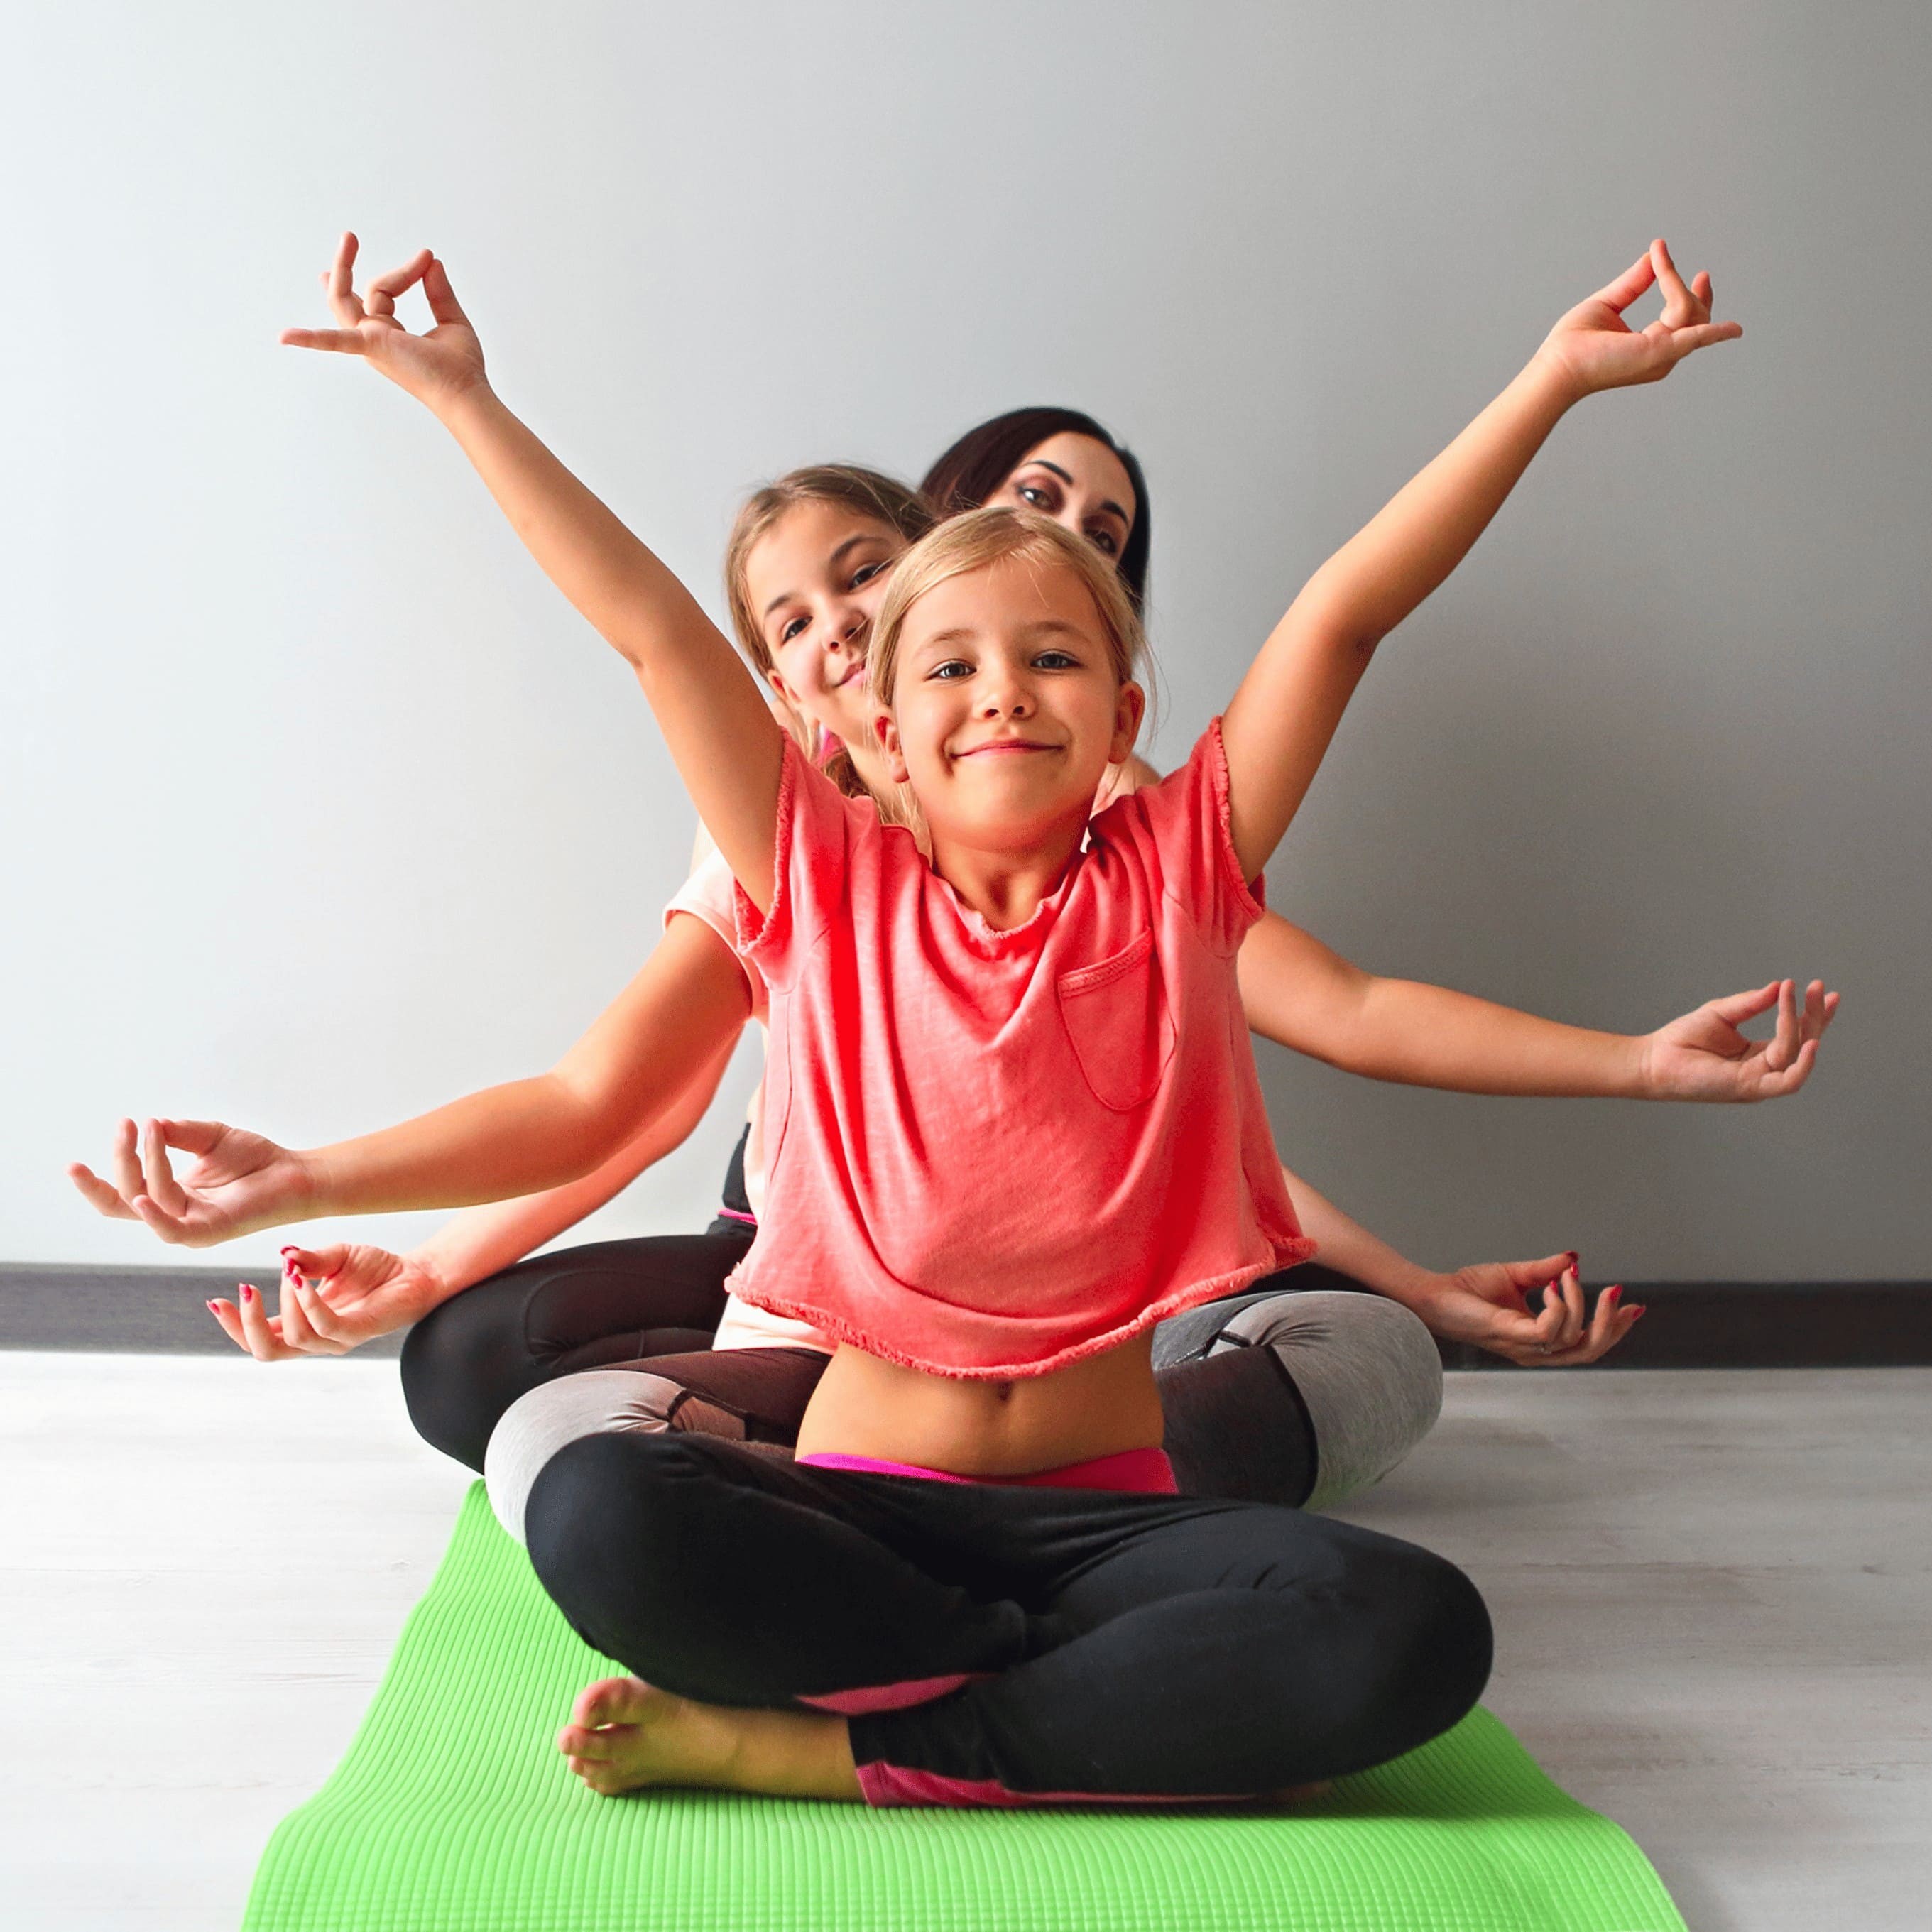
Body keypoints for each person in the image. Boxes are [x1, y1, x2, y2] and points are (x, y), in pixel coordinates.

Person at [71, 246, 1832, 1528]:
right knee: (498, 1394)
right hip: (826, 1310)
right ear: (848, 693)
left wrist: (1547, 1161)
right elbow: (613, 1069)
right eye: (820, 621)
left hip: (1090, 1355)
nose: (968, 671)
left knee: (1370, 1405)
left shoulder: (1152, 851)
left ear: (1115, 690)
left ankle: (1070, 1500)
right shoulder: (800, 860)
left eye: (1065, 614)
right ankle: (836, 1493)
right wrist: (325, 1193)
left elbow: (1294, 955)